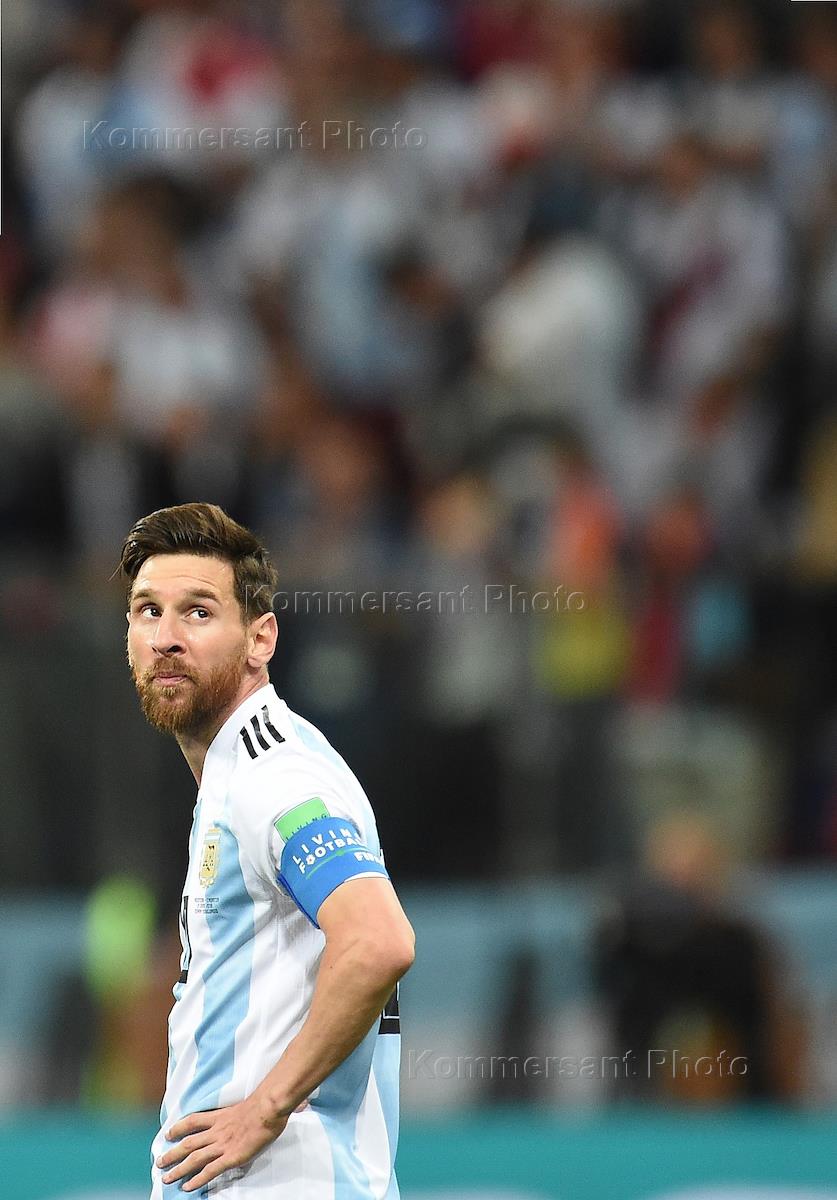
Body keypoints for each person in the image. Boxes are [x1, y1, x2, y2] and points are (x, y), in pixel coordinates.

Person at [118, 501, 415, 1198]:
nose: (165, 638)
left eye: (197, 612)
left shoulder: (275, 777)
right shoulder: (242, 774)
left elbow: (378, 941)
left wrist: (265, 1108)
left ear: (261, 639)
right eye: (147, 611)